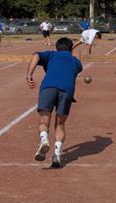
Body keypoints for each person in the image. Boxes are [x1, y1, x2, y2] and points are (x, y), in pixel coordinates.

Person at [26, 37, 83, 167]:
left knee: (43, 121)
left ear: (56, 48)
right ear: (70, 49)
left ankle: (44, 139)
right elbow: (68, 58)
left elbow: (36, 55)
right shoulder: (76, 62)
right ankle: (56, 154)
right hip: (66, 90)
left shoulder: (51, 55)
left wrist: (29, 74)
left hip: (48, 87)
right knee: (60, 124)